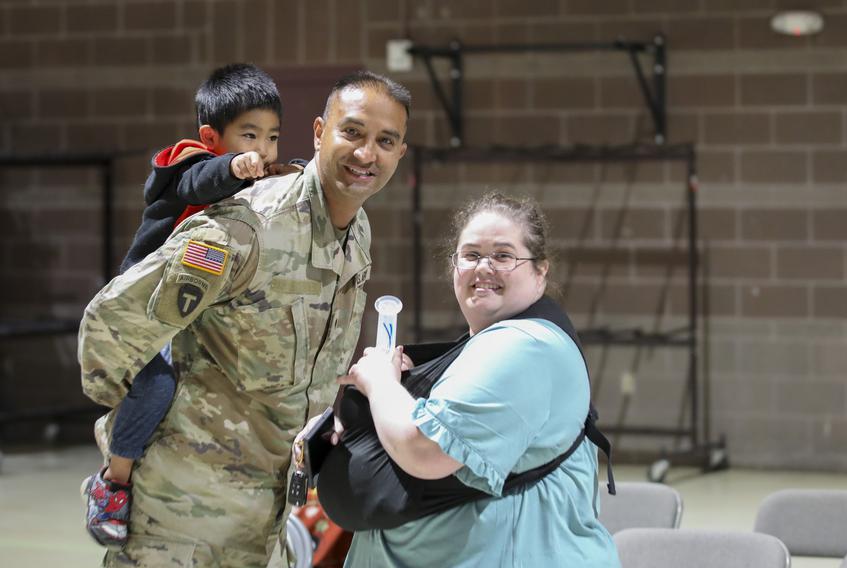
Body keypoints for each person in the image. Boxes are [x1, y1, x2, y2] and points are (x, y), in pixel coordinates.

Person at [77, 70, 410, 567]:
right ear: (319, 132)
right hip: (180, 524)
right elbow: (110, 326)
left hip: (261, 523)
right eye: (353, 132)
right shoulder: (246, 227)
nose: (367, 154)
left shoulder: (356, 231)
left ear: (400, 154)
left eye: (386, 141)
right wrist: (133, 432)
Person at [326, 193, 620, 567]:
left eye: (503, 256)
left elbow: (424, 448)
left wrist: (380, 384)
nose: (484, 267)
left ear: (540, 271)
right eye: (471, 255)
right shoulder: (486, 346)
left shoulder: (524, 348)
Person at [81, 62, 306, 549]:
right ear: (211, 135)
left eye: (271, 137)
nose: (263, 150)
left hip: (195, 313)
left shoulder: (257, 177)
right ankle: (112, 482)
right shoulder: (183, 163)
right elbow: (198, 183)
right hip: (149, 310)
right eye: (249, 136)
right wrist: (231, 167)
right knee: (157, 385)